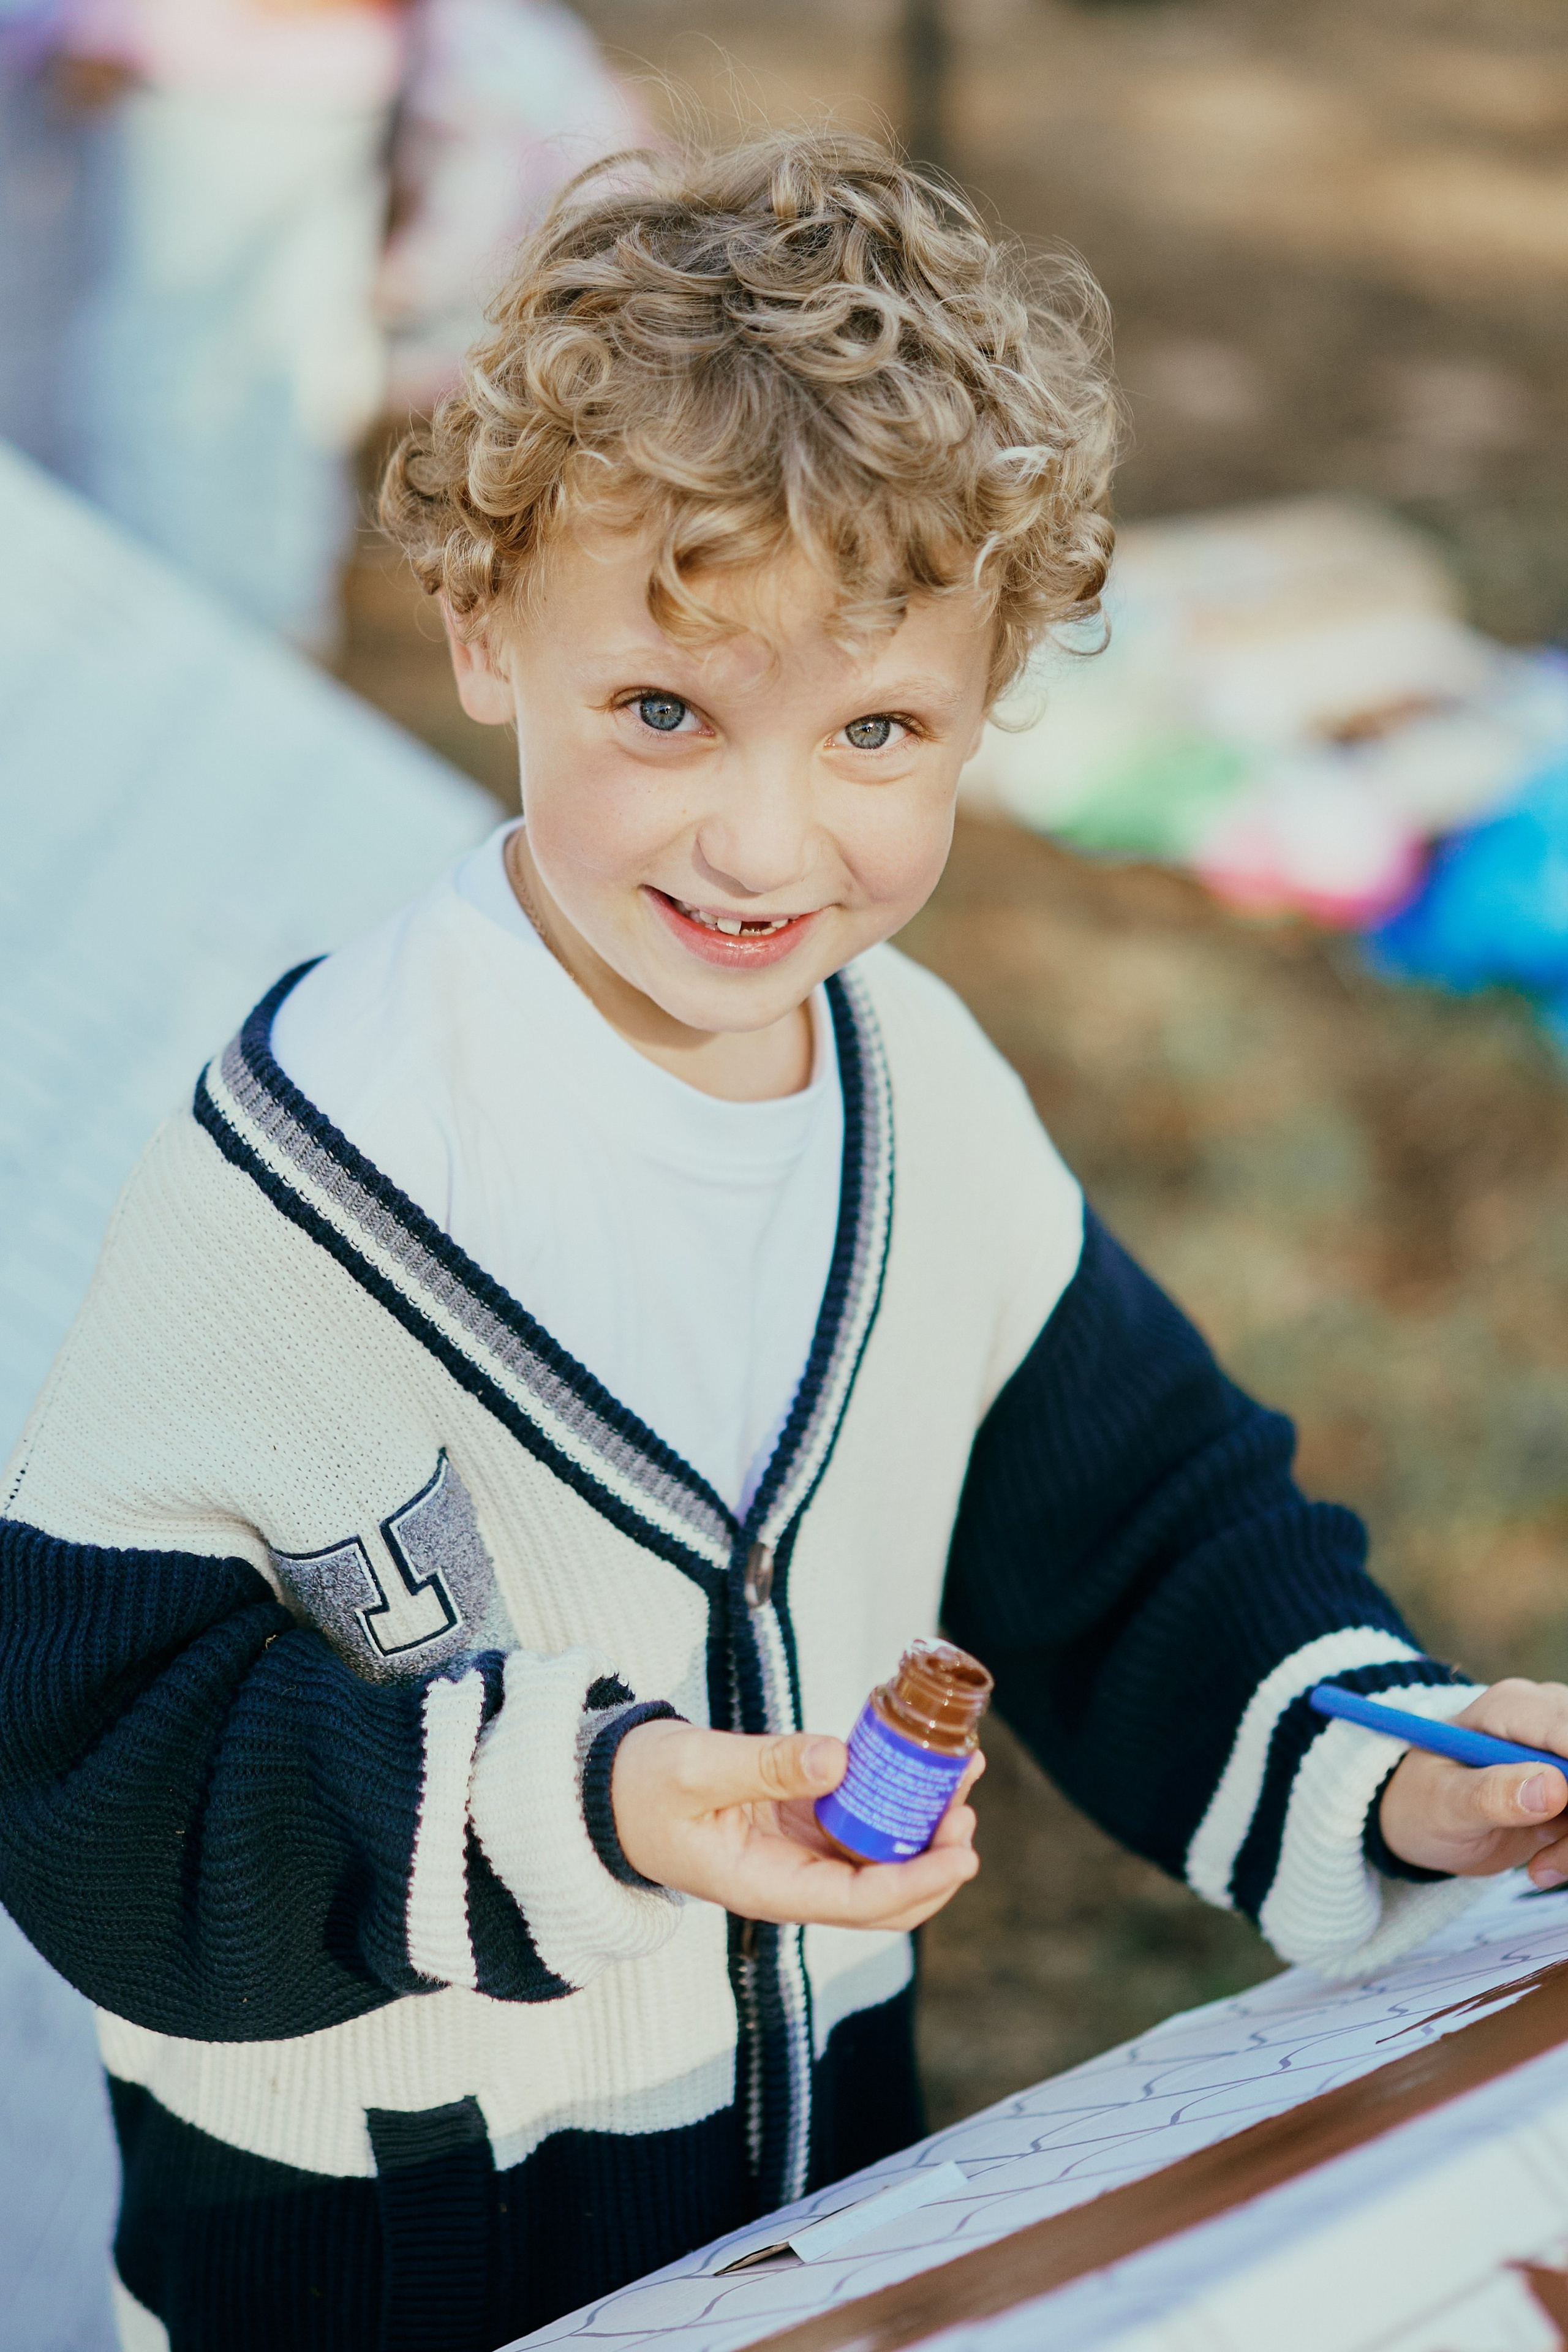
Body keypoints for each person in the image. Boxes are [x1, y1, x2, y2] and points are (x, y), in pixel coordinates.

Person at [4, 129, 1567, 2352]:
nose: (765, 838)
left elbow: (1144, 1538)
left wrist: (1395, 1767)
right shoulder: (304, 1174)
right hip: (377, 2262)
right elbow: (96, 1767)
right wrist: (604, 1798)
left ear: (996, 692)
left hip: (818, 2198)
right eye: (664, 711)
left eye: (877, 731)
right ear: (482, 631)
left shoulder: (915, 1101)